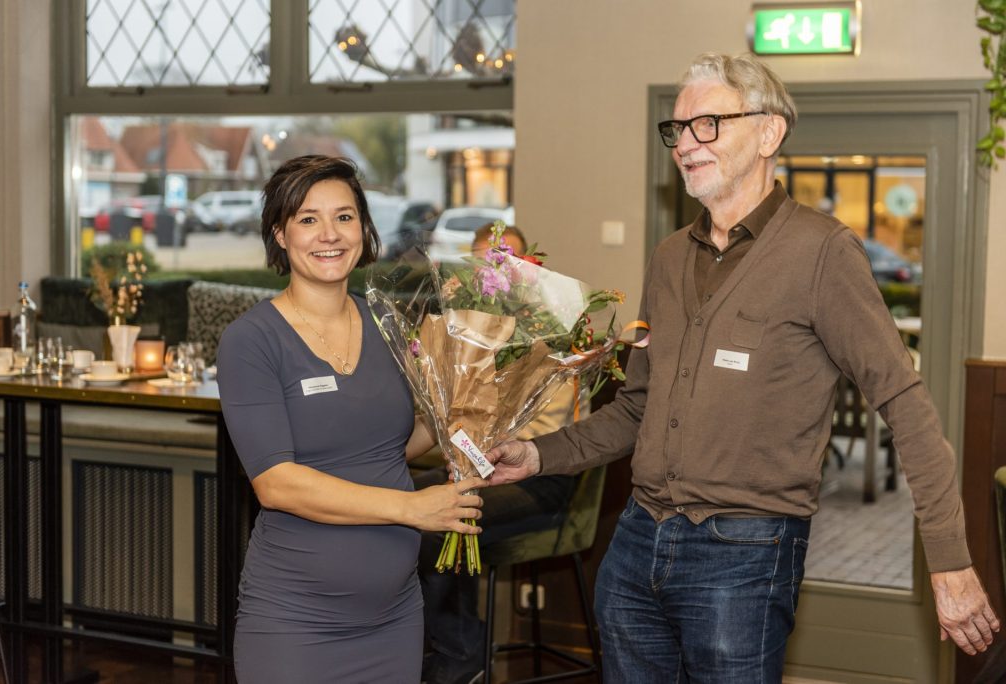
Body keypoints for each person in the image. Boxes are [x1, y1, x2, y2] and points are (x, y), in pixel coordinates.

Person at [487, 53, 1000, 682]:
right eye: (677, 129)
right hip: (635, 545)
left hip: (745, 555)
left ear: (768, 133)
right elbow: (636, 409)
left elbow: (905, 404)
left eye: (707, 123)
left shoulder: (822, 252)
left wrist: (949, 560)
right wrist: (538, 455)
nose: (685, 144)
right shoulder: (669, 258)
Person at [216, 154, 486, 683]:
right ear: (280, 234)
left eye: (344, 216)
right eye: (308, 219)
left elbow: (386, 447)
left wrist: (461, 413)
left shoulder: (385, 319)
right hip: (296, 622)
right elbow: (276, 484)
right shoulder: (251, 341)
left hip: (395, 617)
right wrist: (413, 508)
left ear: (363, 227)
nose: (330, 234)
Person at [416, 223, 579, 684]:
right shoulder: (460, 330)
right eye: (481, 263)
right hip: (472, 471)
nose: (492, 273)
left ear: (529, 269)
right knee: (401, 500)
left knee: (440, 523)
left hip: (538, 479)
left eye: (505, 262)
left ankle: (460, 656)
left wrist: (481, 436)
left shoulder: (550, 334)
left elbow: (547, 433)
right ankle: (408, 649)